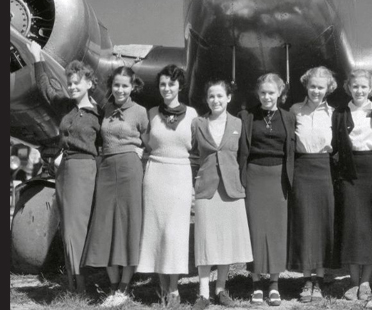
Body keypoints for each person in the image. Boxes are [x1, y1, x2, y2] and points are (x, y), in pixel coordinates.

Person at [27, 40, 102, 294]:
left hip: (85, 171)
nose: (71, 86)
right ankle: (73, 283)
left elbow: (104, 145)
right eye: (69, 83)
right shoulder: (66, 106)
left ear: (89, 84)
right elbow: (45, 89)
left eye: (76, 83)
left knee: (76, 228)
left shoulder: (98, 114)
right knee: (67, 227)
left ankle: (79, 284)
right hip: (65, 171)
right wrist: (37, 57)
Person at [82, 66, 149, 307]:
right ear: (111, 86)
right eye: (116, 85)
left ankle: (124, 286)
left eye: (125, 85)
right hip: (107, 170)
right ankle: (112, 285)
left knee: (129, 224)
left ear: (133, 87)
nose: (120, 90)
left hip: (130, 169)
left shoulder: (141, 112)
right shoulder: (105, 110)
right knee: (105, 225)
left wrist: (139, 154)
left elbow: (150, 142)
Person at [137, 65, 199, 303]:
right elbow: (143, 143)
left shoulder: (193, 114)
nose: (166, 88)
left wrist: (195, 182)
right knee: (157, 232)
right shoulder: (151, 112)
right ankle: (162, 286)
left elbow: (196, 150)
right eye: (163, 84)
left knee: (175, 234)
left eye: (171, 84)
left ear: (179, 86)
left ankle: (174, 287)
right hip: (155, 177)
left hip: (180, 176)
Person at [190, 80, 253, 310]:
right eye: (211, 96)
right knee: (205, 241)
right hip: (206, 187)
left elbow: (244, 155)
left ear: (228, 98)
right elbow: (191, 155)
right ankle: (204, 294)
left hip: (230, 188)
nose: (215, 100)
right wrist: (192, 181)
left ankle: (221, 290)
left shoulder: (238, 123)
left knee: (226, 240)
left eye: (219, 96)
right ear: (206, 99)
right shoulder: (198, 123)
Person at [237, 73, 297, 306]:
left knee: (276, 231)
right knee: (256, 230)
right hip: (254, 176)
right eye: (263, 92)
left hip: (279, 178)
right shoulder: (247, 116)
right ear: (257, 93)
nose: (266, 97)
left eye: (271, 92)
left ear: (280, 94)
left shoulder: (288, 117)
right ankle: (256, 283)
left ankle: (273, 283)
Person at [331, 70, 372, 301]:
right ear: (348, 88)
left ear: (371, 89)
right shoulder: (340, 113)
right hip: (349, 171)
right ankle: (353, 281)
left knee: (371, 225)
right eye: (355, 86)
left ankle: (366, 281)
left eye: (364, 87)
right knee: (352, 226)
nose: (359, 90)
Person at [287, 67, 338, 303]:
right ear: (306, 86)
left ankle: (319, 278)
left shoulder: (334, 113)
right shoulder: (295, 110)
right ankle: (307, 280)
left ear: (328, 89)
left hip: (325, 170)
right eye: (312, 86)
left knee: (322, 224)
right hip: (302, 170)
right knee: (305, 224)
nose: (316, 91)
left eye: (321, 87)